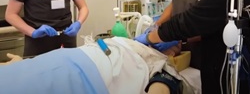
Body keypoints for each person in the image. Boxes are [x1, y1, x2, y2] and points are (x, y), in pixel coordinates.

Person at [0, 35, 196, 94]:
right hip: (69, 59)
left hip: (81, 76)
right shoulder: (119, 39)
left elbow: (163, 86)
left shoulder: (159, 64)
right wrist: (22, 65)